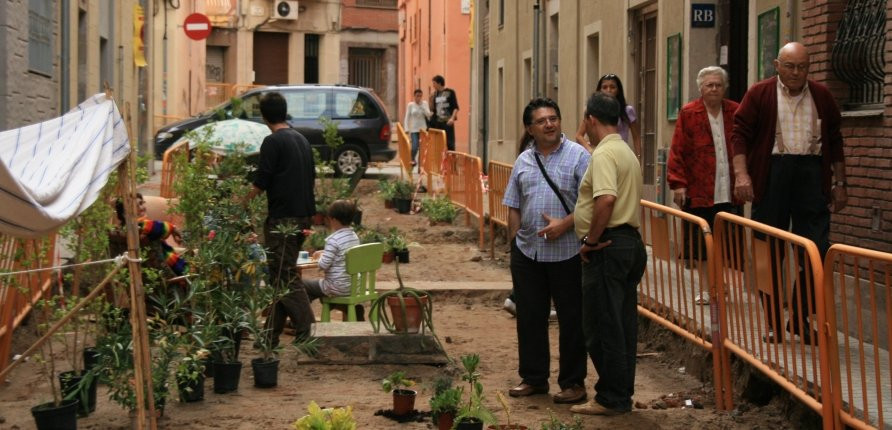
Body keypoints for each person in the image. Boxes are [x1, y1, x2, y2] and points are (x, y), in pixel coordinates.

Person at [731, 41, 847, 345]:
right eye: (790, 66)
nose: (796, 73)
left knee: (817, 248)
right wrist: (742, 175)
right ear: (776, 65)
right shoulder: (759, 93)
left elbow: (835, 141)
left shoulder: (821, 95)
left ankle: (799, 316)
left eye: (803, 67)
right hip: (772, 174)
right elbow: (739, 135)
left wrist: (840, 183)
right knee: (768, 251)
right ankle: (771, 321)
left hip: (811, 174)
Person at [503, 98, 590, 404]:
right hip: (529, 253)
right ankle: (534, 378)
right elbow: (513, 204)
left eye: (554, 118)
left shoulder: (579, 157)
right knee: (529, 318)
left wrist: (565, 225)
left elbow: (590, 204)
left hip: (568, 252)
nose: (550, 124)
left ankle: (573, 383)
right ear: (530, 128)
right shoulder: (524, 160)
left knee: (572, 320)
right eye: (542, 121)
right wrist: (515, 242)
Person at [571, 92, 646, 416]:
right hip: (628, 243)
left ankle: (611, 397)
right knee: (622, 324)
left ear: (590, 120)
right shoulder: (625, 151)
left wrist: (590, 240)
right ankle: (620, 392)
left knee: (602, 326)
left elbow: (605, 200)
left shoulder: (602, 155)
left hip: (609, 246)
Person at [244, 92, 317, 347]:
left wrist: (240, 203)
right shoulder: (301, 140)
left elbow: (261, 182)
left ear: (263, 116)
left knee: (284, 277)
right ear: (284, 112)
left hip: (283, 219)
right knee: (279, 276)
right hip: (303, 216)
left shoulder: (272, 142)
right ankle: (269, 336)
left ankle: (307, 330)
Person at [667, 66, 742, 270]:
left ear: (725, 88)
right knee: (700, 245)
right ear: (701, 88)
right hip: (699, 190)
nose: (714, 89)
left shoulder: (735, 111)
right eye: (710, 85)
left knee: (731, 245)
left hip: (729, 191)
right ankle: (707, 289)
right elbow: (677, 150)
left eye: (719, 85)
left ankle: (725, 288)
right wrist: (678, 184)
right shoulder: (689, 113)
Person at [303, 200, 362, 316]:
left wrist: (319, 258)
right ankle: (348, 309)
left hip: (336, 287)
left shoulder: (333, 239)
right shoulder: (354, 237)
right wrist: (324, 252)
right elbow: (342, 253)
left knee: (301, 285)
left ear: (333, 219)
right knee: (311, 292)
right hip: (353, 285)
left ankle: (302, 321)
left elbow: (323, 265)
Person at [574, 74, 641, 158]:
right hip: (601, 154)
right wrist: (590, 150)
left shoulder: (627, 110)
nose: (608, 90)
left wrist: (638, 157)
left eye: (612, 87)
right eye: (604, 87)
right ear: (599, 90)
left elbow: (636, 137)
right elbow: (579, 135)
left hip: (621, 154)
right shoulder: (592, 111)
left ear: (618, 90)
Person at [429, 75, 459, 151]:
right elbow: (433, 109)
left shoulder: (450, 92)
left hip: (447, 122)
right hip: (438, 123)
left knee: (450, 144)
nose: (433, 85)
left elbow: (455, 107)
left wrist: (452, 118)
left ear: (439, 83)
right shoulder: (435, 94)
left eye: (434, 83)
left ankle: (451, 161)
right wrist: (430, 99)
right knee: (438, 144)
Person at [403, 89, 432, 167]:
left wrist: (422, 107)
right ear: (414, 96)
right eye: (417, 96)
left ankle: (421, 166)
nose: (418, 98)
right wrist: (406, 128)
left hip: (423, 129)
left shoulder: (424, 103)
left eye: (420, 96)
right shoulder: (410, 105)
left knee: (422, 149)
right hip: (414, 129)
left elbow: (428, 115)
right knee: (415, 146)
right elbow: (407, 117)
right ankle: (412, 159)